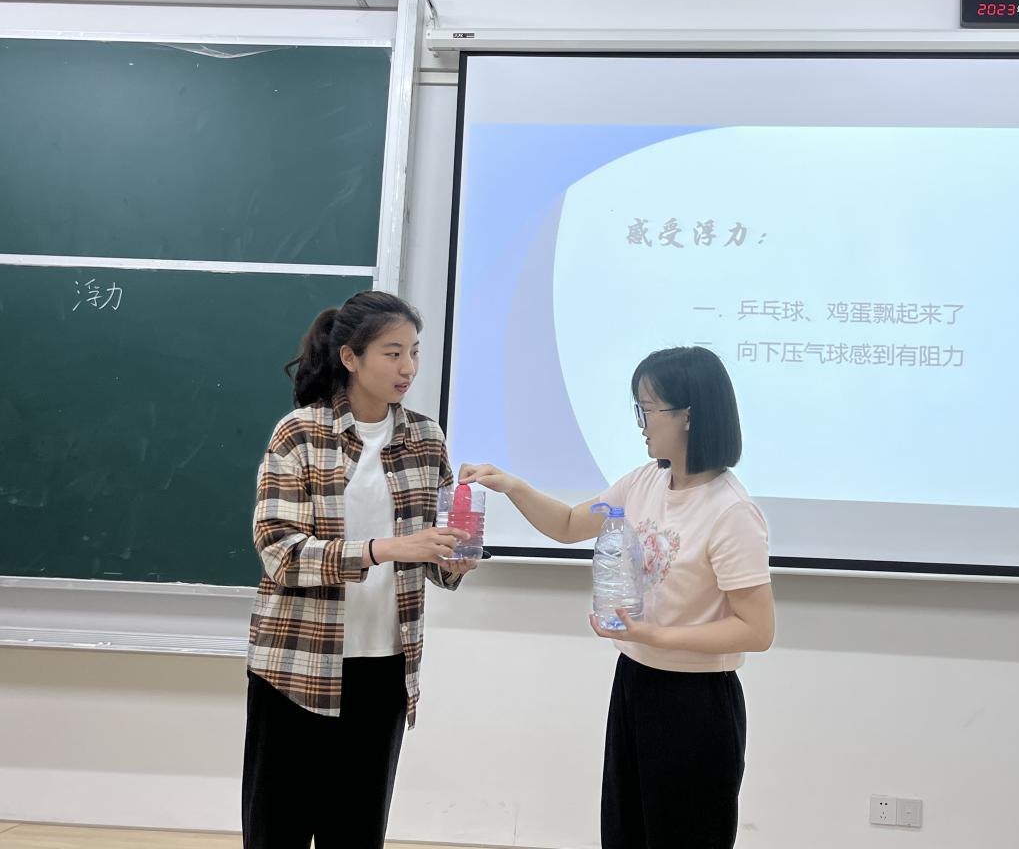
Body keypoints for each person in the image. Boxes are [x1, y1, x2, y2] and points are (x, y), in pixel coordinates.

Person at [461, 346, 774, 849]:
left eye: (647, 409)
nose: (640, 424)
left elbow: (757, 630)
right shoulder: (644, 481)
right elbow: (569, 524)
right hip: (635, 681)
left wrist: (658, 635)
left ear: (688, 415)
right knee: (625, 832)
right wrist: (512, 486)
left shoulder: (731, 511)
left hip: (696, 700)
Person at [242, 290, 476, 849]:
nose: (408, 368)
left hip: (385, 668)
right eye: (393, 353)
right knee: (277, 832)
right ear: (350, 357)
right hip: (297, 666)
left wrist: (457, 556)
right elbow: (279, 551)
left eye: (414, 352)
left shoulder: (426, 439)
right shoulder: (300, 433)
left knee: (357, 833)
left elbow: (434, 559)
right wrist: (383, 549)